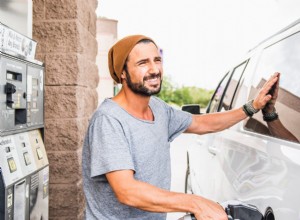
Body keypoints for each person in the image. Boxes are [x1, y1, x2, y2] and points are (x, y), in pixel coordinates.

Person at [82, 35, 279, 220]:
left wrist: (253, 106)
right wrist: (195, 203)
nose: (154, 69)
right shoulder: (108, 120)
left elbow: (202, 122)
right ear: (122, 73)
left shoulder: (159, 109)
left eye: (157, 60)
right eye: (142, 63)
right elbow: (127, 191)